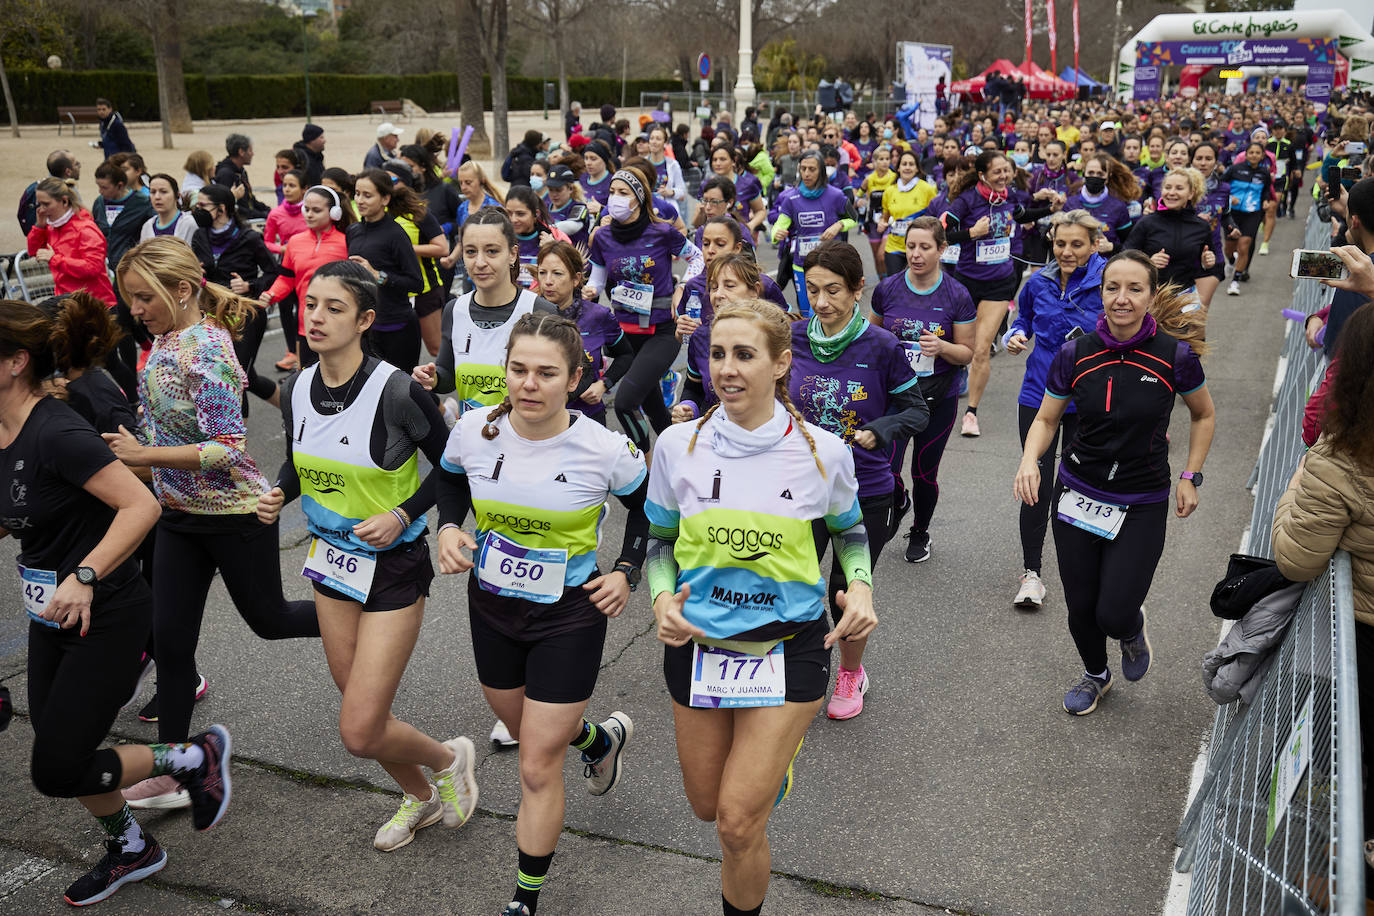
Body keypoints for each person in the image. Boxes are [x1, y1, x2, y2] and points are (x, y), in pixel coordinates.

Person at [645, 297, 878, 916]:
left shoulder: (823, 452)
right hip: (698, 649)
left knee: (737, 823)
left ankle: (768, 769)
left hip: (788, 650)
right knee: (706, 805)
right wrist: (663, 598)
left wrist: (860, 587)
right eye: (717, 354)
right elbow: (659, 544)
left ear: (780, 364)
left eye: (744, 355)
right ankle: (763, 772)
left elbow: (851, 532)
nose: (726, 369)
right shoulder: (676, 447)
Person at [0, 299, 233, 907]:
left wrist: (84, 574)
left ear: (15, 361)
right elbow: (18, 511)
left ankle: (193, 755)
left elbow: (141, 506)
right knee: (62, 752)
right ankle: (132, 848)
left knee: (55, 767)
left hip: (105, 612)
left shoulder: (58, 429)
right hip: (51, 614)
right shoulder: (3, 430)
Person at [256, 260, 479, 851]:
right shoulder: (297, 388)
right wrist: (281, 492)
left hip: (394, 569)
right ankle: (423, 795)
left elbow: (454, 471)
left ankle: (449, 759)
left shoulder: (398, 391)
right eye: (311, 305)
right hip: (331, 565)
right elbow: (302, 457)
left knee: (359, 727)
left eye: (335, 308)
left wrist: (404, 514)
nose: (317, 317)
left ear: (366, 320)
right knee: (362, 709)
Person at [436, 311, 647, 915]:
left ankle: (523, 901)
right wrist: (450, 527)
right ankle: (600, 739)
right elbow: (449, 484)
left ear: (575, 377)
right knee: (531, 730)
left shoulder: (602, 448)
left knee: (535, 762)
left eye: (546, 373)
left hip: (570, 614)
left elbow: (651, 513)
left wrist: (625, 572)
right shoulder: (476, 430)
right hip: (493, 606)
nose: (529, 384)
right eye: (518, 369)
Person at [105, 238, 321, 808]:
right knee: (171, 642)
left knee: (270, 620)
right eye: (129, 298)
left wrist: (143, 458)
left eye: (144, 297)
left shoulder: (206, 349)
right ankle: (178, 767)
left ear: (182, 290)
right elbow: (161, 432)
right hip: (179, 517)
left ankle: (365, 617)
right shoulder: (163, 342)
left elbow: (227, 447)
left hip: (235, 515)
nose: (135, 309)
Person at [1013, 249, 1214, 715]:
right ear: (1100, 292)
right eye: (1112, 288)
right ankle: (1096, 675)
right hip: (1077, 492)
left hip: (1140, 499)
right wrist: (1029, 460)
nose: (1121, 299)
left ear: (1150, 294)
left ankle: (1129, 628)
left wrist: (1190, 475)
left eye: (1134, 289)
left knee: (1114, 610)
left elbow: (1203, 414)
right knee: (1081, 606)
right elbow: (1046, 419)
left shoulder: (1173, 356)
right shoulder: (1075, 353)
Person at [788, 240, 925, 719]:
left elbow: (916, 411)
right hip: (800, 488)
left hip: (864, 490)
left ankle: (850, 674)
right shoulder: (794, 338)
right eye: (812, 290)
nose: (821, 302)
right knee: (792, 579)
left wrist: (880, 430)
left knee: (844, 591)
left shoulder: (882, 346)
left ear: (857, 290)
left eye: (833, 291)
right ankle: (792, 659)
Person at [1273, 300, 1374, 843]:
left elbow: (1296, 557)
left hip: (1363, 640)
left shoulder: (1340, 460)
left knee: (1356, 755)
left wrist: (1295, 485)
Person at [1004, 210, 1107, 608]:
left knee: (1081, 483)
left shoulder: (1107, 283)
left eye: (1076, 244)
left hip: (1089, 398)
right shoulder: (1038, 282)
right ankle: (1032, 575)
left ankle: (1087, 567)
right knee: (1036, 484)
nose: (1066, 252)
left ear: (1094, 244)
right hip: (1038, 394)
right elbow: (1024, 321)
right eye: (1060, 243)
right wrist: (1015, 335)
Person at [869, 217, 975, 565]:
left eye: (925, 247)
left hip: (936, 399)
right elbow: (872, 337)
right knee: (886, 468)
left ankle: (920, 530)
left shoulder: (957, 295)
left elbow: (967, 352)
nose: (915, 254)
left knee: (923, 473)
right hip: (896, 398)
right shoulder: (888, 288)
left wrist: (942, 347)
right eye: (910, 246)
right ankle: (899, 503)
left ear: (942, 249)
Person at [942, 150, 1062, 438]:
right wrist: (971, 233)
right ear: (982, 174)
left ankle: (971, 413)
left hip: (998, 283)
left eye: (1006, 171)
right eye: (997, 172)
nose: (1003, 177)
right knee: (957, 346)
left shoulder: (1009, 197)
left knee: (981, 349)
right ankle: (947, 387)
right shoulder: (967, 200)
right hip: (967, 281)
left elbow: (1022, 216)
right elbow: (943, 232)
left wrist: (1050, 209)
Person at [583, 169, 704, 452]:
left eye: (623, 193)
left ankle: (646, 462)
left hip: (662, 331)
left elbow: (696, 257)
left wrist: (682, 287)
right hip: (626, 334)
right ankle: (686, 454)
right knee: (656, 411)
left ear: (639, 198)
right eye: (612, 192)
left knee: (625, 403)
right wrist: (589, 290)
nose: (615, 199)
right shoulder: (602, 238)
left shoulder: (662, 232)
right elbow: (597, 280)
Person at [190, 184, 280, 407]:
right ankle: (291, 409)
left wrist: (250, 285)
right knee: (244, 377)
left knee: (234, 376)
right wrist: (195, 273)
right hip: (211, 313)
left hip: (244, 314)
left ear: (221, 208)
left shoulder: (248, 237)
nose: (197, 210)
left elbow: (272, 272)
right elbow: (199, 272)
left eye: (203, 205)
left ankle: (232, 441)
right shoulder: (200, 236)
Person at [534, 241, 635, 424]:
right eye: (543, 273)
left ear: (576, 279)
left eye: (557, 273)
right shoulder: (529, 315)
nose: (548, 281)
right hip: (540, 420)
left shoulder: (598, 316)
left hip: (587, 418)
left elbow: (626, 355)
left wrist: (603, 385)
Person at [260, 184, 352, 369]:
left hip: (339, 325)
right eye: (307, 209)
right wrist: (271, 295)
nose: (309, 214)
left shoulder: (347, 242)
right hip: (307, 325)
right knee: (309, 382)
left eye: (316, 210)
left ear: (334, 213)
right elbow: (287, 278)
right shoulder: (295, 242)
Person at [346, 169, 425, 372]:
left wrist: (378, 276)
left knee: (400, 394)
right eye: (357, 193)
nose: (360, 200)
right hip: (365, 327)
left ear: (385, 198)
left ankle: (439, 406)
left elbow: (416, 283)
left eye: (368, 195)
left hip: (397, 327)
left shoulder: (396, 234)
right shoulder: (353, 231)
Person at [771, 151, 857, 318]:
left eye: (812, 169)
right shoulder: (791, 198)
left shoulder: (835, 195)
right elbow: (779, 225)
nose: (807, 173)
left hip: (830, 264)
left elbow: (853, 218)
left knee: (825, 310)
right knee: (806, 312)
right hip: (801, 263)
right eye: (803, 169)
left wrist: (838, 225)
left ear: (821, 171)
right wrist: (777, 233)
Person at [1123, 168, 1217, 295]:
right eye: (1167, 187)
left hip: (1186, 294)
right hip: (1150, 295)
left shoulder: (1201, 227)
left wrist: (1207, 263)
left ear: (1191, 194)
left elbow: (1204, 266)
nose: (1172, 193)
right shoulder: (1147, 223)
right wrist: (1149, 263)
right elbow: (1125, 257)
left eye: (1179, 188)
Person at [26, 178, 117, 307]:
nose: (41, 210)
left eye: (46, 204)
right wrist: (39, 227)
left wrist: (55, 259)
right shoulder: (52, 227)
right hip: (67, 302)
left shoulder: (85, 229)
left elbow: (92, 268)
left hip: (95, 305)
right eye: (39, 204)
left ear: (64, 201)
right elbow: (34, 251)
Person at [876, 149, 938, 278]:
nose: (907, 167)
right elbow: (885, 216)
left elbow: (936, 217)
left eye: (911, 164)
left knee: (918, 287)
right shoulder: (889, 191)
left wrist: (920, 223)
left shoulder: (927, 189)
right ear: (898, 168)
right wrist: (882, 222)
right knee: (896, 286)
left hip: (920, 248)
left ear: (917, 168)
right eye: (904, 164)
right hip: (894, 247)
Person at [1221, 142, 1273, 294]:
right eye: (1251, 152)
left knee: (1244, 245)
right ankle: (1231, 261)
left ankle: (1235, 281)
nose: (1254, 155)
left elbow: (1265, 191)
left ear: (1262, 155)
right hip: (1233, 214)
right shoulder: (1235, 169)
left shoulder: (1264, 173)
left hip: (1253, 213)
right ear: (1246, 154)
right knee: (1229, 248)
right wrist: (1230, 197)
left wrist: (1265, 201)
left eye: (1258, 153)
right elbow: (1221, 186)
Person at [1189, 142, 1236, 309]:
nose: (1203, 163)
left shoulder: (1224, 188)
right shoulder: (1181, 187)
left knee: (1199, 311)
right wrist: (1193, 218)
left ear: (1216, 162)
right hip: (1183, 257)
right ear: (1191, 161)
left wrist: (1232, 227)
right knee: (1182, 316)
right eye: (1199, 158)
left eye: (1208, 159)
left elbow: (1226, 215)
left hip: (1212, 256)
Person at [1062, 154, 1138, 254]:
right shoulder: (1070, 204)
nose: (1095, 177)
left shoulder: (1118, 207)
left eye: (1100, 174)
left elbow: (1131, 245)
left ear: (1107, 177)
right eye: (1091, 172)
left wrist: (1111, 247)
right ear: (1084, 173)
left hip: (1106, 266)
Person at [17, 149, 81, 236]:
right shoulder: (69, 192)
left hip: (37, 238)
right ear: (68, 172)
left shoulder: (34, 188)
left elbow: (22, 215)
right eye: (76, 164)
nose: (80, 166)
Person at [213, 133, 270, 219]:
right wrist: (262, 214)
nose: (252, 154)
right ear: (241, 152)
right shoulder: (225, 174)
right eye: (250, 150)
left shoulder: (240, 171)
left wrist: (268, 210)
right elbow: (234, 207)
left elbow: (250, 200)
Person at [139, 173, 196, 245]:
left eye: (163, 192)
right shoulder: (147, 227)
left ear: (177, 196)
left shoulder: (189, 223)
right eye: (153, 192)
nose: (157, 197)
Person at [263, 168, 308, 254]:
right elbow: (267, 243)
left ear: (304, 189)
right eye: (284, 185)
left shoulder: (313, 211)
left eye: (292, 185)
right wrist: (281, 249)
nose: (286, 189)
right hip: (287, 260)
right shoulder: (275, 214)